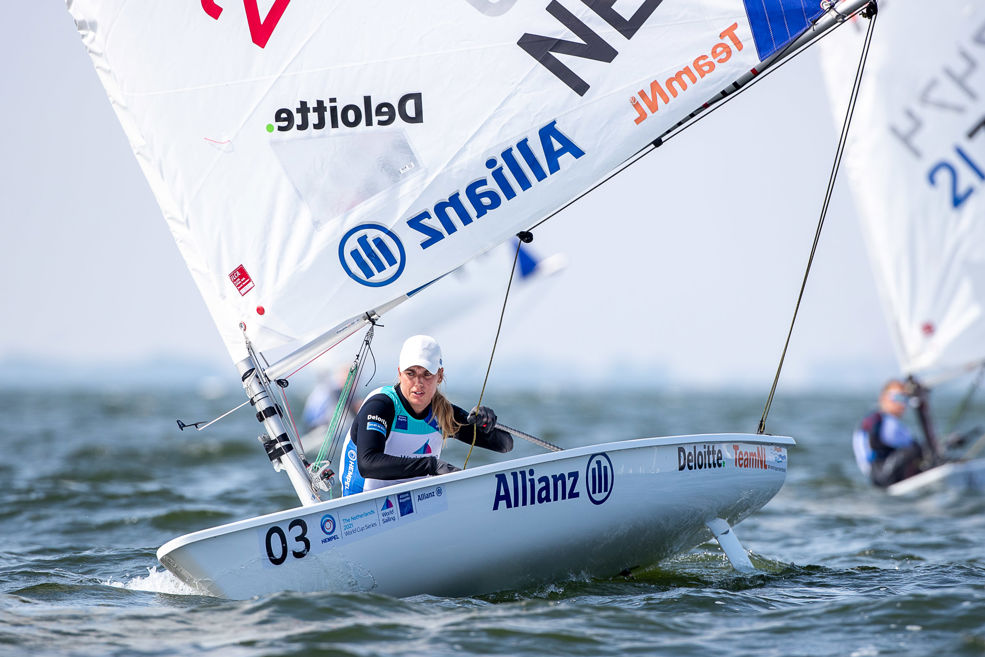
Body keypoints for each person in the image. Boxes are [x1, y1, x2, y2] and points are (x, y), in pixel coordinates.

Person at [339, 335, 513, 496]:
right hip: (361, 511)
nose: (418, 383)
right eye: (410, 374)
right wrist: (431, 465)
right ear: (400, 373)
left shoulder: (441, 413)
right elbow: (367, 463)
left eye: (427, 374)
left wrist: (486, 424)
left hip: (411, 506)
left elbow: (505, 445)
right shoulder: (381, 406)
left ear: (440, 375)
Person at [852, 379, 926, 487]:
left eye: (905, 399)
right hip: (883, 476)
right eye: (897, 398)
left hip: (877, 476)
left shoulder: (874, 419)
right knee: (915, 449)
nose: (902, 404)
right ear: (883, 398)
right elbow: (909, 444)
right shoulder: (886, 422)